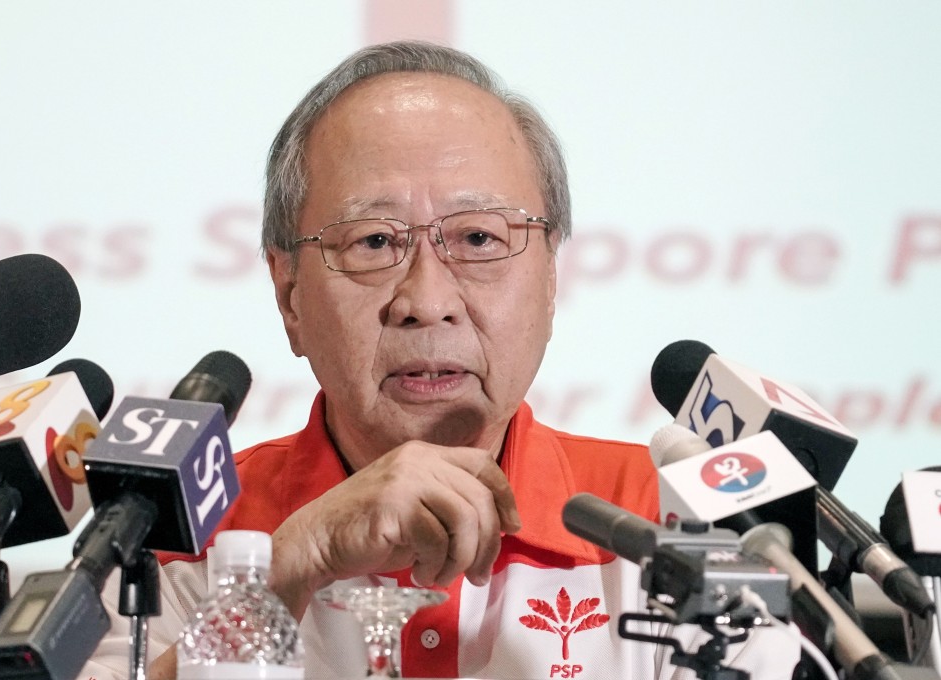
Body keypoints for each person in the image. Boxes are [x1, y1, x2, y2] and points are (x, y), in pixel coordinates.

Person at [83, 41, 798, 679]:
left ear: (551, 280)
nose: (427, 301)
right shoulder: (163, 536)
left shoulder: (672, 523)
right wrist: (288, 567)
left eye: (479, 238)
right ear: (289, 293)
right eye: (373, 242)